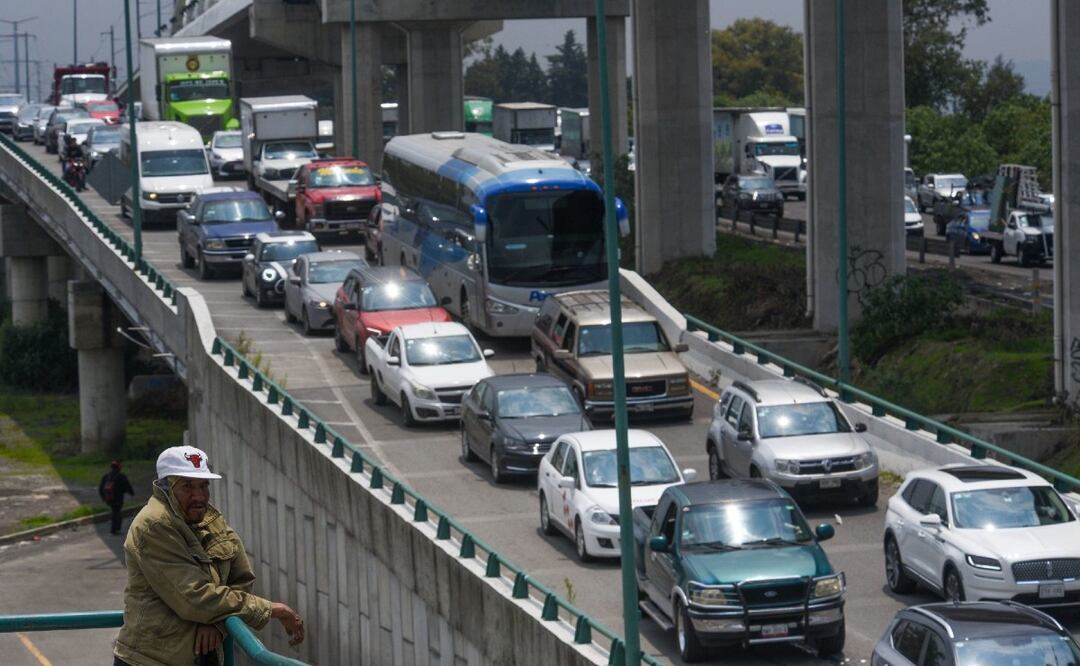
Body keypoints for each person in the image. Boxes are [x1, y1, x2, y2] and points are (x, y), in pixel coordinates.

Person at [114, 445, 304, 666]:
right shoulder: (154, 525)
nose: (199, 496)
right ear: (166, 487)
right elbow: (194, 598)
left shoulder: (210, 519)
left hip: (202, 658)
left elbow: (241, 578)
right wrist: (273, 610)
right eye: (188, 486)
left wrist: (215, 623)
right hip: (151, 660)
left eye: (204, 485)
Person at [98, 460, 135, 535]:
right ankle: (114, 529)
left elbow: (101, 488)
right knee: (116, 512)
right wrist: (131, 493)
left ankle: (116, 527)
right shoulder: (121, 476)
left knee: (115, 511)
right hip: (118, 498)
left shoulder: (106, 476)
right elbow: (127, 486)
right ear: (119, 467)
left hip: (109, 498)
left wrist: (103, 498)